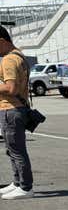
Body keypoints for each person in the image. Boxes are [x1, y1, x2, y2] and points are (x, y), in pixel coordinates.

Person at [0, 27, 34, 200]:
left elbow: (10, 88)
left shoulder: (8, 60)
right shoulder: (20, 56)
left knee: (16, 151)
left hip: (10, 109)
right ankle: (17, 182)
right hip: (18, 109)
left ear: (2, 41)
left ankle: (26, 187)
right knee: (13, 150)